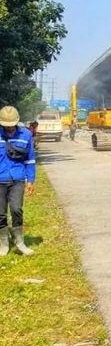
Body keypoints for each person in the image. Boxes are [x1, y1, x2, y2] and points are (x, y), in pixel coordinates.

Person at [0, 106, 35, 256]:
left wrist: (31, 180)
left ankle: (19, 242)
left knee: (16, 210)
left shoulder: (26, 135)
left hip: (17, 179)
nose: (8, 128)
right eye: (5, 125)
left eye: (11, 124)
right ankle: (3, 243)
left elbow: (30, 160)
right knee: (0, 214)